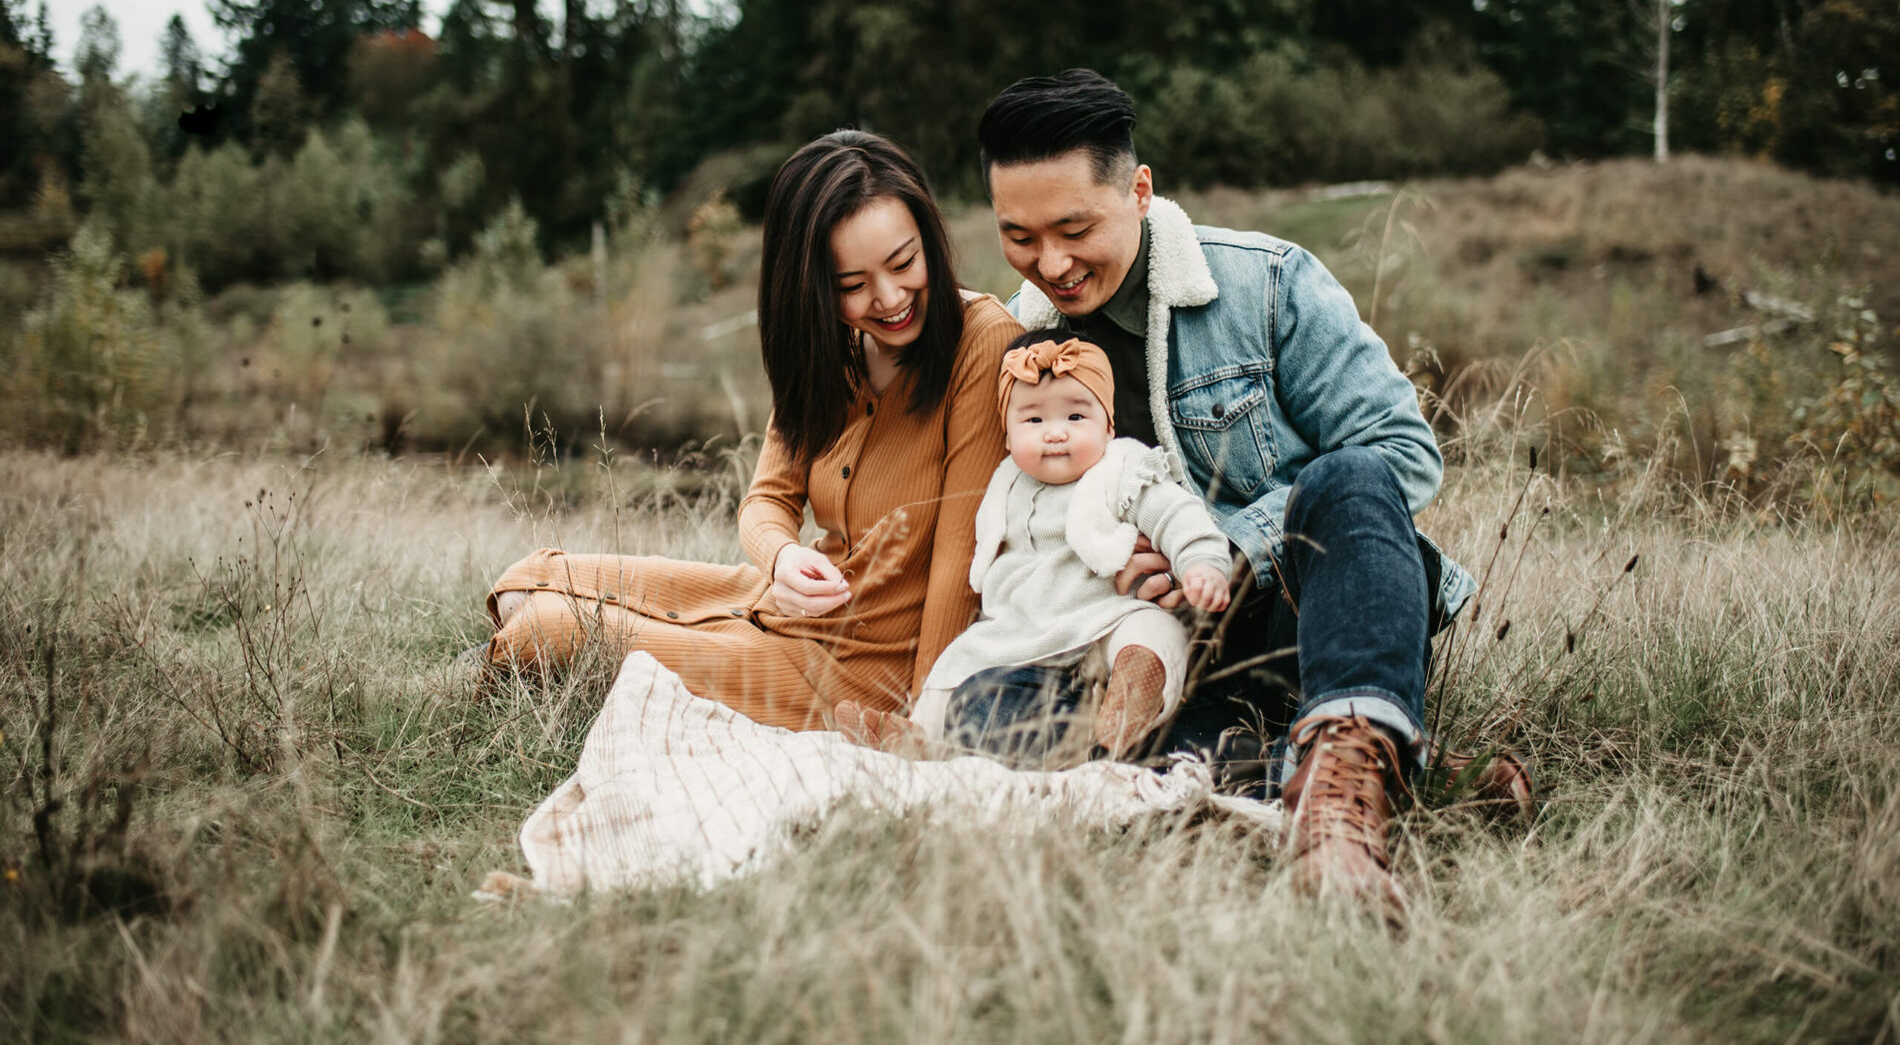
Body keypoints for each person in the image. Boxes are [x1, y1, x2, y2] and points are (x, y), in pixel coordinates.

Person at [964, 68, 1483, 905]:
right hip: (1161, 655)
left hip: (1312, 615)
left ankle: (1339, 810)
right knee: (1076, 748)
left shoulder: (1266, 283)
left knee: (1350, 473)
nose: (1050, 263)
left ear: (1138, 191)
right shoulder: (1022, 344)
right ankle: (1403, 775)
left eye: (1073, 228)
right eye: (1019, 236)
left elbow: (1403, 449)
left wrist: (1235, 547)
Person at [477, 130, 1021, 731]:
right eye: (852, 285)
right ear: (813, 287)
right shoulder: (830, 350)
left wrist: (925, 721)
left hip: (858, 672)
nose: (890, 298)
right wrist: (783, 557)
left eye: (904, 263)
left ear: (929, 242)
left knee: (548, 631)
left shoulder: (982, 340)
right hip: (782, 603)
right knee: (528, 581)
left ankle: (527, 666)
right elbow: (767, 500)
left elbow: (957, 565)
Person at [842, 332, 1233, 761]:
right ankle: (919, 734)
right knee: (956, 662)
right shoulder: (1004, 482)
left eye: (1075, 417)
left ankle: (1131, 700)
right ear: (1007, 437)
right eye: (1034, 421)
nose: (1055, 434)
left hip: (1103, 616)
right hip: (1023, 630)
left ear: (1109, 425)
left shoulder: (1120, 470)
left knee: (1153, 633)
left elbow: (1175, 514)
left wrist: (1201, 562)